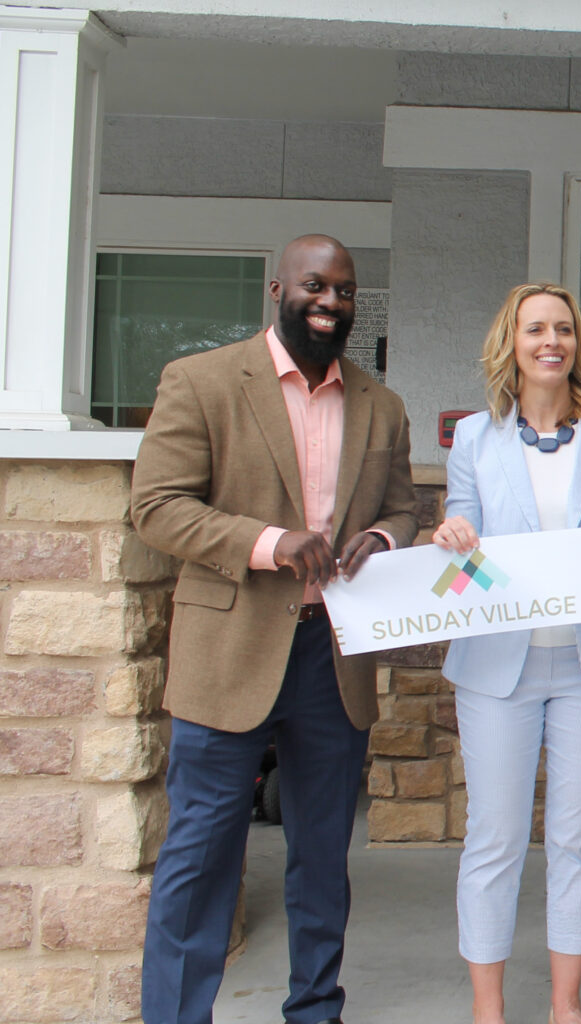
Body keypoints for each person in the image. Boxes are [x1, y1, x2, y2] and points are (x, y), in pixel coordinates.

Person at [131, 235, 418, 1024]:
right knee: (199, 858)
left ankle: (315, 1008)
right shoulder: (203, 381)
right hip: (230, 653)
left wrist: (389, 538)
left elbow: (401, 507)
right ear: (278, 289)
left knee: (322, 857)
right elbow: (156, 506)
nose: (330, 303)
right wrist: (270, 543)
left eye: (346, 292)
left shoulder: (380, 405)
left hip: (332, 658)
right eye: (315, 287)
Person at [430, 283, 581, 1024]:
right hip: (499, 666)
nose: (550, 341)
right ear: (514, 343)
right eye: (535, 329)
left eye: (563, 328)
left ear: (576, 344)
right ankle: (487, 1011)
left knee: (576, 836)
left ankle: (565, 1005)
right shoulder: (473, 438)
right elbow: (462, 523)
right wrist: (452, 535)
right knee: (493, 837)